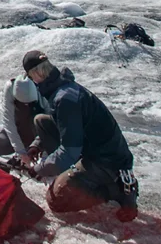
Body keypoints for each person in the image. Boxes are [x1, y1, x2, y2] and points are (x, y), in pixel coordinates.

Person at [21, 50, 138, 220]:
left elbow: (69, 151)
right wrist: (36, 145)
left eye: (31, 77)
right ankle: (74, 174)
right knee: (41, 121)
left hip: (106, 160)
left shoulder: (65, 98)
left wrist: (39, 169)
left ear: (36, 74)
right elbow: (60, 124)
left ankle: (115, 189)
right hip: (90, 147)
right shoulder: (60, 87)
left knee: (56, 199)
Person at [0, 74, 46, 159]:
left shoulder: (43, 87)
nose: (26, 106)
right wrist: (21, 152)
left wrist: (37, 145)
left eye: (29, 103)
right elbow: (9, 122)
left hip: (38, 130)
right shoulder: (9, 88)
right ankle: (25, 146)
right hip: (20, 128)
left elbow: (49, 124)